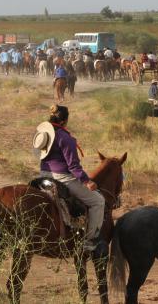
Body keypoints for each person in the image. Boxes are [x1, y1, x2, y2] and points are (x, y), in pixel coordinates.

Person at [36, 105, 105, 252]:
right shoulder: (66, 138)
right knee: (98, 201)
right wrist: (87, 181)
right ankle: (89, 241)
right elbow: (73, 167)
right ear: (64, 121)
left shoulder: (44, 136)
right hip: (62, 178)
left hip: (43, 175)